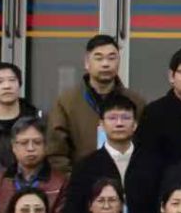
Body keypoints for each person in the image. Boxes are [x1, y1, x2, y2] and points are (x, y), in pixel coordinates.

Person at [62, 93, 161, 213]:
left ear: (135, 125)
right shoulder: (86, 166)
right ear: (101, 124)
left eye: (125, 118)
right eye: (112, 118)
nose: (119, 123)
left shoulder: (153, 163)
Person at [46, 35, 145, 173]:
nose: (106, 64)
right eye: (99, 58)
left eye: (112, 58)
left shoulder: (135, 101)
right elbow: (56, 152)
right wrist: (74, 179)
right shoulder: (67, 102)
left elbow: (146, 147)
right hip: (81, 180)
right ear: (87, 63)